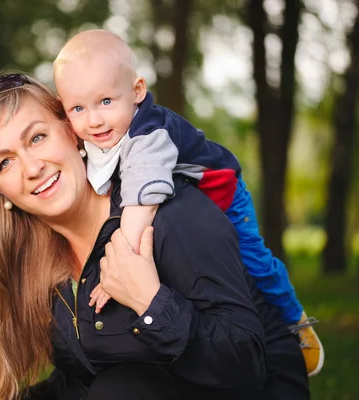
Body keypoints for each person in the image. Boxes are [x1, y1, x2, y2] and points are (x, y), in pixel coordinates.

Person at [0, 73, 310, 400]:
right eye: (5, 162)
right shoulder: (38, 250)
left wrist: (151, 303)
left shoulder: (169, 216)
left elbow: (245, 363)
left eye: (37, 137)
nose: (31, 167)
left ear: (72, 133)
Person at [52, 29, 323, 376]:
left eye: (106, 102)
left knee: (253, 261)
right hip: (186, 201)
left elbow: (141, 204)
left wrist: (116, 268)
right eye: (78, 107)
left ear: (137, 92)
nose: (94, 119)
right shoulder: (99, 131)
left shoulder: (148, 135)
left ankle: (292, 318)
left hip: (221, 191)